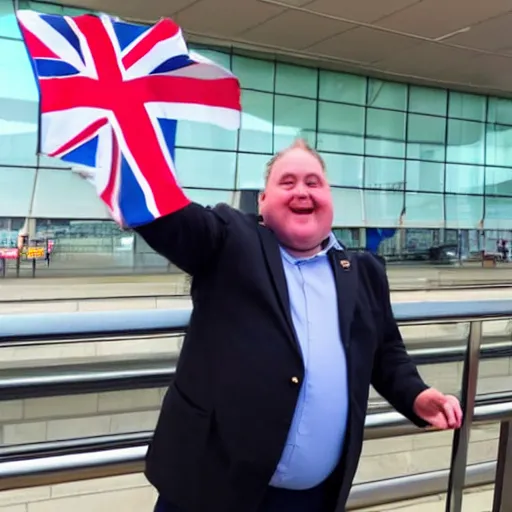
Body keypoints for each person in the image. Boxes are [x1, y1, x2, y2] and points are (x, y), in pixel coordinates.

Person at [133, 138, 462, 512]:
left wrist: (415, 395)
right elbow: (170, 218)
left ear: (330, 197)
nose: (301, 192)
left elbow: (386, 353)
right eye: (287, 183)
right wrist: (128, 169)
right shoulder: (229, 241)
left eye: (313, 182)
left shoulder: (364, 272)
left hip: (309, 500)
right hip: (209, 489)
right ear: (262, 201)